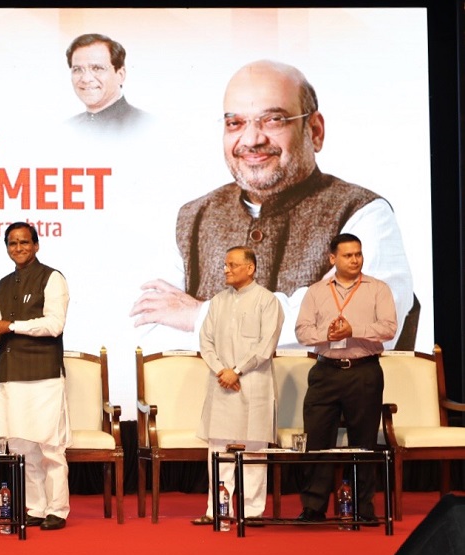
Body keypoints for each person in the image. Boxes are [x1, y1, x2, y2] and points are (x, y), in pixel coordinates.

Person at [132, 60, 414, 352]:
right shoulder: (191, 218)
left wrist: (200, 316)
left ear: (314, 130)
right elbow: (150, 332)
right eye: (235, 123)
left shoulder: (363, 213)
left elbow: (362, 322)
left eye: (273, 120)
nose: (252, 139)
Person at [294, 233, 396, 523]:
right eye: (348, 255)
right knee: (317, 440)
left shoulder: (378, 289)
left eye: (358, 254)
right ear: (332, 259)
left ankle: (364, 509)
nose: (355, 260)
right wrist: (324, 334)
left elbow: (389, 328)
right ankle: (313, 507)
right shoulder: (315, 291)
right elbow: (302, 332)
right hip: (326, 371)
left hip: (364, 371)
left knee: (363, 441)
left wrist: (354, 329)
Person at [0, 222, 72, 530]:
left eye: (24, 243)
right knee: (22, 446)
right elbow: (0, 332)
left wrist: (11, 326)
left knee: (49, 447)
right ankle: (35, 508)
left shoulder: (52, 277)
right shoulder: (4, 284)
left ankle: (57, 509)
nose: (18, 248)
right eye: (12, 244)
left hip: (43, 374)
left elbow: (54, 325)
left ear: (36, 245)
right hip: (11, 374)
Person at [189, 247, 283, 525]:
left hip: (253, 383)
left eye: (232, 265)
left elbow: (266, 345)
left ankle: (252, 512)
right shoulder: (217, 301)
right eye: (225, 265)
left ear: (250, 268)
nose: (226, 270)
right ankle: (217, 510)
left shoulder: (267, 301)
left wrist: (238, 370)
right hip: (222, 383)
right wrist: (222, 370)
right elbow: (205, 341)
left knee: (254, 448)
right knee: (218, 449)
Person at [66, 33, 148, 133]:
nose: (86, 79)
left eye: (97, 68)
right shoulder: (66, 129)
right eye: (77, 69)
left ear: (120, 75)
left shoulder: (146, 126)